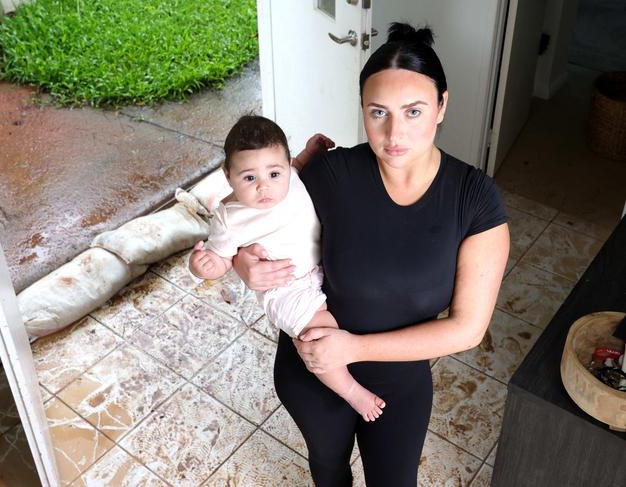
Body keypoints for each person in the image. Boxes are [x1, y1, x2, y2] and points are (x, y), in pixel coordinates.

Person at [232, 23, 510, 487]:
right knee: (327, 465)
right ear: (362, 109)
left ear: (442, 105)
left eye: (414, 111)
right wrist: (244, 263)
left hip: (399, 379)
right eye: (378, 112)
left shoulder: (475, 199)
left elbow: (468, 329)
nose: (394, 132)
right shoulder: (332, 174)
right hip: (312, 365)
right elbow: (253, 215)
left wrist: (355, 347)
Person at [188, 115, 386, 421]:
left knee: (353, 311)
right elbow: (219, 259)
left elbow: (299, 164)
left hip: (317, 269)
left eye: (273, 173)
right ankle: (351, 392)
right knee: (320, 335)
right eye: (249, 178)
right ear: (228, 175)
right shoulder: (229, 217)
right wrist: (203, 266)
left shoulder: (291, 177)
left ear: (286, 164)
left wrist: (311, 152)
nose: (264, 187)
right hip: (284, 289)